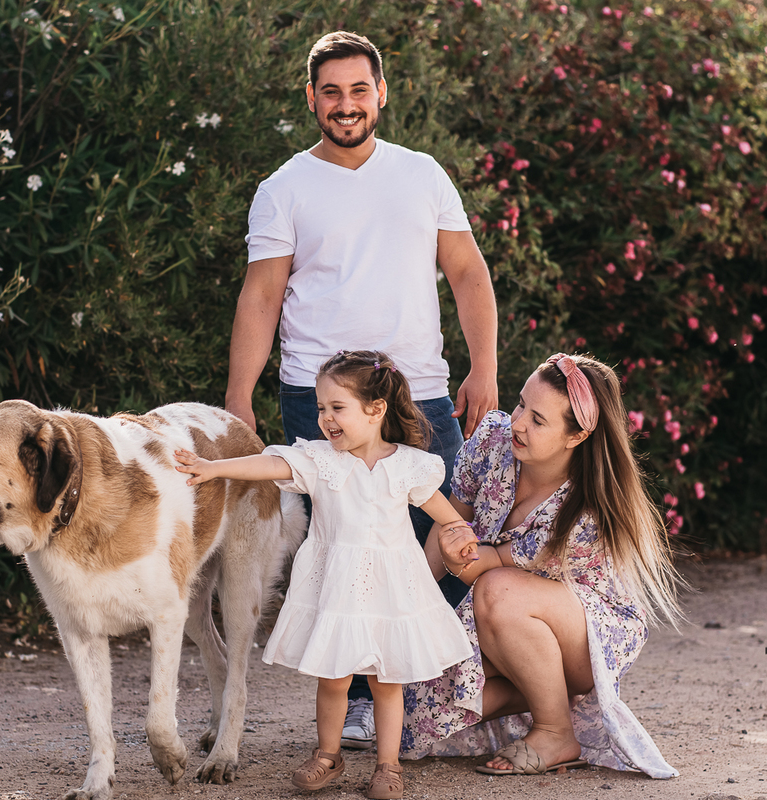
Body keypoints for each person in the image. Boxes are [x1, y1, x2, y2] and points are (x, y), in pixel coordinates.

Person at [225, 29, 498, 750]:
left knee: (446, 536)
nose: (346, 105)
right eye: (331, 92)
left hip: (424, 393)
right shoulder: (283, 189)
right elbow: (260, 298)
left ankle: (431, 694)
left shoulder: (422, 174)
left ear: (381, 93)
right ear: (311, 98)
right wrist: (238, 396)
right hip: (321, 402)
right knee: (343, 556)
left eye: (358, 90)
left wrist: (486, 367)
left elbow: (468, 273)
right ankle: (352, 706)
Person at [177, 351, 475, 799]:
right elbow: (270, 465)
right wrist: (212, 468)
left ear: (376, 410)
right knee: (334, 679)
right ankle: (328, 754)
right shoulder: (322, 460)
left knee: (387, 681)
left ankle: (387, 766)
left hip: (391, 591)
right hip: (338, 590)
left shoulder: (408, 464)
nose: (325, 419)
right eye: (320, 408)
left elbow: (444, 513)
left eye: (337, 408)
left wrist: (459, 534)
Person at [400, 353, 685, 779]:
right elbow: (450, 522)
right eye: (520, 405)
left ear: (577, 435)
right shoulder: (493, 440)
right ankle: (543, 691)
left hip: (587, 629)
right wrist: (408, 600)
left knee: (498, 589)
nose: (517, 423)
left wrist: (461, 554)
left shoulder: (583, 508)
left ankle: (556, 730)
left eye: (537, 420)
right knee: (415, 715)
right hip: (504, 616)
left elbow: (485, 566)